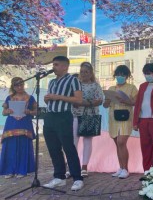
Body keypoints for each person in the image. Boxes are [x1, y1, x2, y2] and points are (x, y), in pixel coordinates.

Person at [43, 56, 84, 191]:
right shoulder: (52, 82)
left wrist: (58, 97)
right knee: (53, 148)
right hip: (49, 116)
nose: (53, 67)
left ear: (65, 66)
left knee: (68, 147)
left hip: (64, 117)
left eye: (56, 64)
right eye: (53, 64)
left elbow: (78, 100)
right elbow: (51, 100)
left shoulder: (73, 80)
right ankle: (59, 177)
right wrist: (47, 99)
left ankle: (77, 178)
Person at [67, 62, 103, 178]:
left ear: (91, 73)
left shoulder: (95, 85)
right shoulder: (75, 84)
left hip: (90, 115)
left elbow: (100, 100)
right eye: (82, 71)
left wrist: (88, 103)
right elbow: (69, 98)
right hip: (75, 114)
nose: (83, 74)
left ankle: (84, 167)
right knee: (73, 141)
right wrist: (75, 102)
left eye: (86, 72)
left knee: (87, 141)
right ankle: (71, 166)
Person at [103, 65, 138, 179]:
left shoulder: (132, 87)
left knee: (121, 142)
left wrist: (126, 101)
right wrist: (107, 101)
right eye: (118, 74)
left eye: (123, 75)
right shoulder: (111, 89)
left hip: (125, 117)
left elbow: (135, 102)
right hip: (113, 118)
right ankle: (121, 167)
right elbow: (105, 105)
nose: (120, 77)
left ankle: (126, 169)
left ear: (127, 76)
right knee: (117, 143)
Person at [0, 77, 36, 178]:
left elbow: (37, 111)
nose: (19, 87)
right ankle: (9, 170)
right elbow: (3, 112)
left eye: (21, 84)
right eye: (17, 85)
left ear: (24, 85)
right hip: (11, 125)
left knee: (23, 146)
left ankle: (22, 170)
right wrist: (8, 111)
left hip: (24, 124)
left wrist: (29, 112)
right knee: (10, 147)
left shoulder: (30, 98)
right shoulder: (9, 98)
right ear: (13, 86)